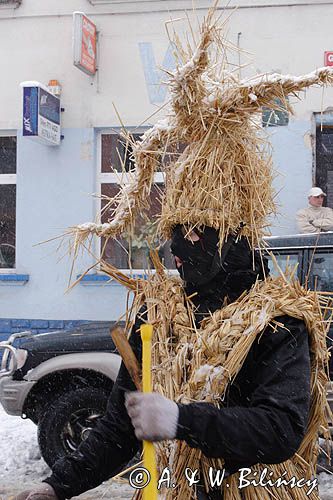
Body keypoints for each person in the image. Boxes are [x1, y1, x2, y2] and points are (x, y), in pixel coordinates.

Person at [15, 226, 312, 500]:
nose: (177, 247)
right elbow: (120, 427)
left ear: (228, 239)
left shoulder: (276, 322)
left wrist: (181, 420)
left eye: (194, 234)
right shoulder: (157, 316)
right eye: (174, 232)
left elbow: (281, 429)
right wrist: (56, 486)